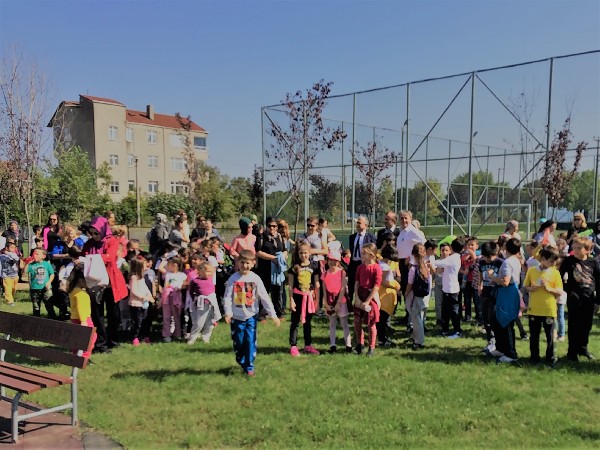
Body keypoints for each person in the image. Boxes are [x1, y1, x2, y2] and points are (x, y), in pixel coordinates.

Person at [223, 250, 281, 376]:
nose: (245, 266)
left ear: (253, 263)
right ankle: (241, 359)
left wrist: (273, 315)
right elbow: (227, 297)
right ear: (238, 263)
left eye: (248, 263)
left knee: (250, 340)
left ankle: (249, 366)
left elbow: (264, 297)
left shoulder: (255, 279)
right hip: (236, 317)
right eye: (242, 262)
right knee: (239, 342)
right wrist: (228, 312)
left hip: (251, 317)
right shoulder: (233, 279)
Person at [82, 215, 128, 353]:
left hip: (110, 283)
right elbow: (84, 256)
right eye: (91, 233)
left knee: (114, 314)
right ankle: (101, 343)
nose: (94, 236)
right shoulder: (89, 244)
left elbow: (110, 257)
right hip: (95, 283)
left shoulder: (111, 241)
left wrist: (91, 258)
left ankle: (113, 340)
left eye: (96, 233)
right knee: (97, 314)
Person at [559, 237, 600, 362]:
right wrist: (567, 290)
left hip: (589, 298)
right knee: (574, 325)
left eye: (579, 248)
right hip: (574, 297)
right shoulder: (569, 261)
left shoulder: (593, 262)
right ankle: (572, 352)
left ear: (587, 250)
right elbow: (559, 277)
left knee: (586, 325)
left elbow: (598, 282)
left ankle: (583, 348)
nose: (575, 250)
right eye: (574, 248)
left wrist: (598, 301)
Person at [523, 248, 562, 366]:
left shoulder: (555, 273)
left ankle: (550, 358)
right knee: (534, 335)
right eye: (551, 261)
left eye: (555, 262)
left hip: (549, 309)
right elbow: (526, 286)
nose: (553, 264)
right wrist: (532, 288)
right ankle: (534, 358)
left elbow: (560, 291)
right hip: (534, 309)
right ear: (543, 259)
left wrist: (549, 289)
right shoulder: (532, 271)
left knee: (550, 336)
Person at [488, 238, 522, 363]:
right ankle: (501, 348)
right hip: (510, 292)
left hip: (507, 294)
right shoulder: (516, 261)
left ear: (505, 248)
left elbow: (505, 282)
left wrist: (492, 276)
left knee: (506, 323)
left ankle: (510, 353)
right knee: (497, 321)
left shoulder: (508, 262)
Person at [288, 240, 321, 356]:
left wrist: (317, 301)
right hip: (297, 297)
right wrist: (291, 300)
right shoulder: (294, 267)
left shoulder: (314, 267)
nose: (304, 255)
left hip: (309, 299)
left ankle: (308, 345)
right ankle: (293, 345)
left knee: (307, 322)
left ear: (310, 253)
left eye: (306, 253)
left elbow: (317, 284)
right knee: (295, 322)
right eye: (301, 253)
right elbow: (290, 286)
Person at [396, 211, 426, 321]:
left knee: (411, 290)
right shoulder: (402, 232)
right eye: (402, 218)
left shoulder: (414, 232)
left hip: (410, 264)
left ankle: (413, 316)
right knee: (405, 289)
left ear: (410, 218)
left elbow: (423, 246)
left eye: (406, 218)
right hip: (402, 263)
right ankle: (408, 314)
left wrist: (412, 259)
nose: (404, 220)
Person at [353, 243, 382, 356]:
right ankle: (360, 344)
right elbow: (356, 283)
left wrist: (368, 301)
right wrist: (357, 298)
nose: (362, 255)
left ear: (371, 255)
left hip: (370, 297)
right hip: (360, 295)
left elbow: (376, 286)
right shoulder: (360, 267)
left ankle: (371, 347)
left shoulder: (376, 268)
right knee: (357, 322)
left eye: (364, 253)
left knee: (371, 323)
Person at [255, 217, 286, 319]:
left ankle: (279, 312)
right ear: (266, 226)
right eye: (270, 226)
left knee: (278, 292)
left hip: (277, 270)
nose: (272, 228)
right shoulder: (261, 237)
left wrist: (283, 256)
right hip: (265, 268)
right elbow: (258, 252)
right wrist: (272, 258)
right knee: (264, 291)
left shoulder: (280, 237)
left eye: (274, 226)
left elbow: (285, 249)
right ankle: (262, 314)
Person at [321, 251, 351, 353]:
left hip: (340, 299)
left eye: (335, 261)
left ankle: (348, 345)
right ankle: (332, 345)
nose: (332, 262)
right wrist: (326, 303)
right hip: (330, 300)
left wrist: (338, 303)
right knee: (332, 323)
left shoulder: (342, 272)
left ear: (338, 262)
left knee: (344, 323)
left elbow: (343, 288)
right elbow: (324, 290)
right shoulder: (325, 274)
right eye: (330, 260)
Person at [435, 238, 464, 339]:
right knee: (445, 311)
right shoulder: (454, 257)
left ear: (452, 248)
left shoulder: (454, 258)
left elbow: (438, 263)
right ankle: (445, 329)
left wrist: (429, 260)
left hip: (452, 290)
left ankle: (457, 330)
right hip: (447, 289)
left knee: (454, 311)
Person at [478, 241, 503, 355]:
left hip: (496, 294)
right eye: (485, 256)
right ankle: (490, 341)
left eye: (490, 256)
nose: (487, 259)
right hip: (485, 293)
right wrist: (480, 285)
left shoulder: (500, 263)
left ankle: (498, 343)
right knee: (485, 319)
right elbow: (480, 274)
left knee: (493, 318)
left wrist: (494, 278)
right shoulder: (482, 262)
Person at [405, 243, 432, 350]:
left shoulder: (413, 269)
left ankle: (419, 341)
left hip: (414, 296)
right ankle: (416, 337)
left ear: (413, 254)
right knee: (419, 317)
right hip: (423, 295)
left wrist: (406, 294)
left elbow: (410, 284)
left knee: (416, 320)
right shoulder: (426, 267)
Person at [188, 262, 221, 345]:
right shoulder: (195, 281)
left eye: (211, 272)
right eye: (208, 271)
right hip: (201, 304)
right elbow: (191, 292)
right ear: (201, 271)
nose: (210, 274)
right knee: (199, 323)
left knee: (210, 322)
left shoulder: (210, 279)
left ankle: (206, 337)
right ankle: (192, 337)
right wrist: (195, 300)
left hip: (211, 304)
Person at [67, 267, 96, 360]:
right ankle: (84, 357)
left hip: (74, 318)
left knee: (77, 338)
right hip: (83, 318)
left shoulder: (73, 290)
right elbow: (81, 308)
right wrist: (84, 321)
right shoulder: (81, 294)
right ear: (80, 280)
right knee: (91, 338)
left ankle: (74, 354)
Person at [158, 256, 187, 342]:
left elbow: (186, 284)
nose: (167, 266)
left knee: (176, 316)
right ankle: (166, 334)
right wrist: (165, 258)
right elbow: (160, 267)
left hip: (177, 297)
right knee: (166, 316)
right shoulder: (167, 274)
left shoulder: (182, 275)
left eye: (169, 264)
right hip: (167, 297)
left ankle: (177, 333)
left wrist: (180, 288)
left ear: (175, 265)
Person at [348, 216, 375, 304]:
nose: (358, 225)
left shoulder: (370, 237)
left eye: (360, 223)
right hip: (353, 264)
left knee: (363, 284)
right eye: (357, 223)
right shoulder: (352, 237)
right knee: (351, 284)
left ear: (366, 225)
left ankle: (363, 302)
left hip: (364, 264)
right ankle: (349, 305)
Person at [377, 244, 400, 347]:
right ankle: (382, 340)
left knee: (382, 319)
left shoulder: (380, 263)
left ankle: (381, 338)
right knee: (383, 319)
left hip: (383, 294)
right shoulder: (385, 266)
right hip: (384, 295)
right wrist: (395, 286)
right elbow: (383, 282)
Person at [128, 258, 155, 346]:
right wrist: (143, 297)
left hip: (144, 303)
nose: (146, 266)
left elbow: (145, 288)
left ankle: (143, 336)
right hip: (136, 304)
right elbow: (134, 291)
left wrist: (150, 296)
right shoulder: (134, 278)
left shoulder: (142, 278)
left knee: (145, 320)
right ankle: (135, 337)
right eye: (144, 264)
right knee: (137, 321)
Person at [25, 248, 54, 317]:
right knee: (36, 306)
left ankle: (52, 317)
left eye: (37, 254)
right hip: (34, 289)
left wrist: (49, 282)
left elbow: (52, 274)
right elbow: (24, 272)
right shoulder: (31, 265)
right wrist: (28, 263)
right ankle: (36, 318)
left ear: (43, 256)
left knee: (48, 304)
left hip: (46, 288)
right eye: (34, 254)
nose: (34, 255)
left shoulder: (46, 264)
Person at [0, 241, 20, 306]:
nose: (13, 249)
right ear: (6, 248)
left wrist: (8, 253)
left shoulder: (13, 255)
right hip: (6, 275)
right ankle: (10, 301)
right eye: (11, 248)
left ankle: (10, 297)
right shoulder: (1, 257)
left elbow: (16, 258)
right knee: (8, 288)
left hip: (14, 275)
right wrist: (1, 274)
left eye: (14, 248)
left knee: (14, 288)